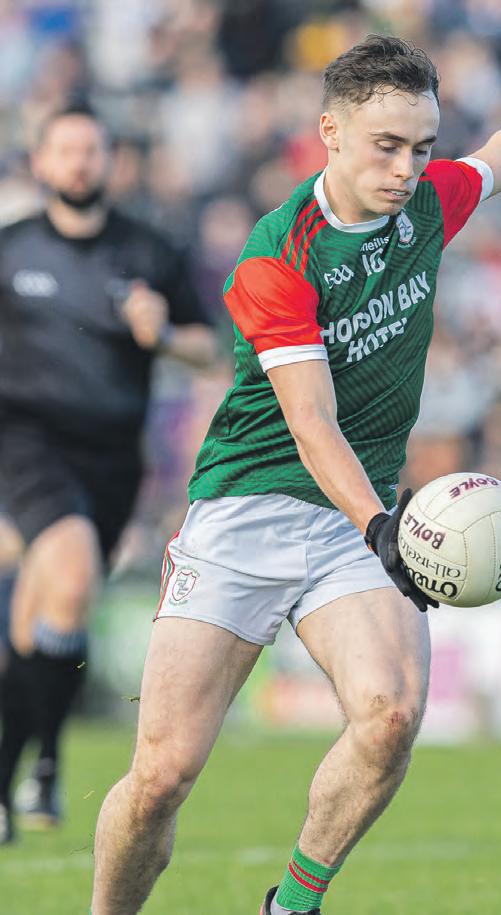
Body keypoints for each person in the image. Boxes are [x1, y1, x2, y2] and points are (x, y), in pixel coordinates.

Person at [90, 37, 501, 914]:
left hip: (351, 521)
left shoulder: (427, 203)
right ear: (330, 132)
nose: (407, 169)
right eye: (387, 146)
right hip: (248, 514)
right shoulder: (277, 256)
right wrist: (381, 527)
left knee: (391, 713)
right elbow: (311, 422)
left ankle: (290, 906)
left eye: (422, 147)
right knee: (162, 774)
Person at [0, 104, 217, 845]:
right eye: (65, 149)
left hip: (113, 456)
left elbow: (208, 346)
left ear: (110, 160)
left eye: (91, 149)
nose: (79, 162)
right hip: (27, 443)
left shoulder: (149, 250)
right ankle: (48, 764)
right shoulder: (13, 248)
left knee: (41, 616)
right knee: (72, 577)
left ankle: (15, 777)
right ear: (41, 161)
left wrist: (164, 334)